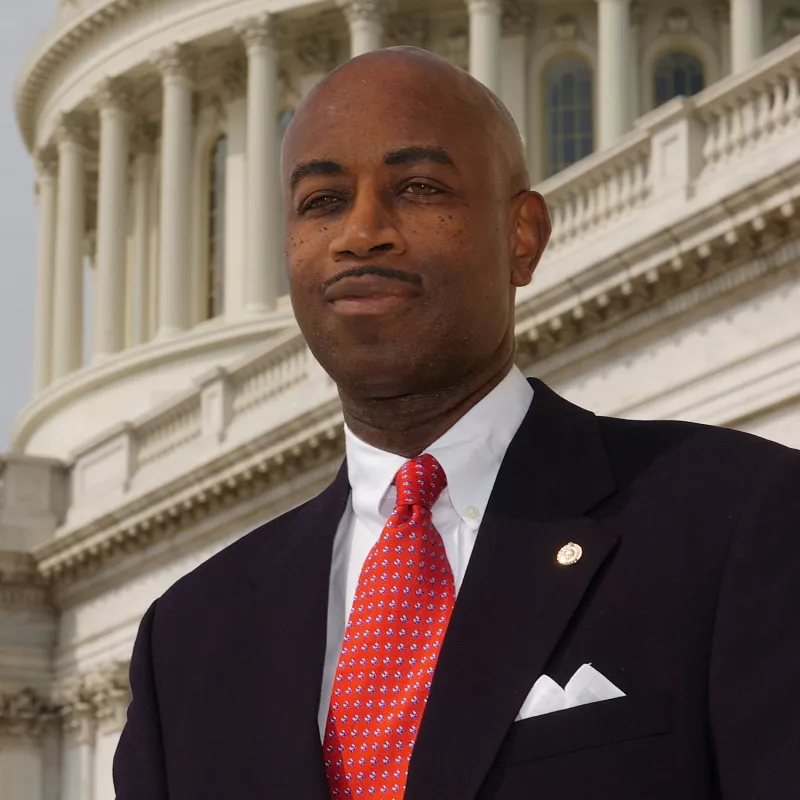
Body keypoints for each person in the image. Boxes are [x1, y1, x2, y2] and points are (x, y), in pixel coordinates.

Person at [112, 47, 800, 800]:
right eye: (322, 201)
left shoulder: (739, 520)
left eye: (416, 187)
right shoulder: (186, 639)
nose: (361, 233)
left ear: (522, 236)